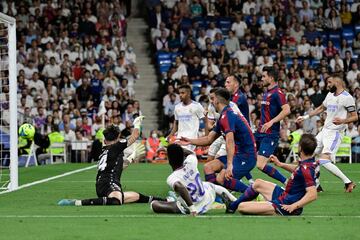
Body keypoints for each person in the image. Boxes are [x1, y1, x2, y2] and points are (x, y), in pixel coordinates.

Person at [58, 116, 165, 206]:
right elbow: (135, 136)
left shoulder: (105, 151)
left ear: (104, 140)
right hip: (109, 183)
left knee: (135, 196)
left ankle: (167, 200)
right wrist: (137, 124)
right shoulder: (115, 147)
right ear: (117, 138)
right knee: (116, 201)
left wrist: (132, 157)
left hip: (102, 185)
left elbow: (119, 167)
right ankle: (77, 202)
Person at [180, 88, 256, 193]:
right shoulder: (223, 116)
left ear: (217, 101)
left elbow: (230, 141)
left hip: (247, 156)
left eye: (212, 99)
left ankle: (255, 193)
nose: (211, 102)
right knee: (208, 167)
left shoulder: (228, 115)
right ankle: (216, 199)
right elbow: (209, 139)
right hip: (238, 155)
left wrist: (229, 165)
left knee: (222, 178)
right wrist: (189, 141)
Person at [222, 134, 318, 216]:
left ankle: (260, 206)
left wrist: (294, 206)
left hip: (285, 206)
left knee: (242, 207)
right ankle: (232, 206)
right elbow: (298, 169)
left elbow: (312, 194)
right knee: (258, 183)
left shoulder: (307, 169)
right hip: (285, 196)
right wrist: (280, 164)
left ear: (300, 148)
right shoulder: (307, 163)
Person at [297, 76, 358, 192]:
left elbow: (355, 116)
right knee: (307, 155)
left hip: (335, 133)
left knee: (324, 160)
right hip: (324, 131)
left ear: (337, 82)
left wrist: (343, 121)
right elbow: (321, 108)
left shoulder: (347, 98)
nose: (327, 85)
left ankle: (348, 182)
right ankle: (317, 185)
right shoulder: (330, 94)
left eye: (330, 82)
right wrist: (305, 117)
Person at [151, 144, 236, 215]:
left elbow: (180, 187)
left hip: (191, 207)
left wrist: (192, 208)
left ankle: (179, 203)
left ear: (169, 160)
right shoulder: (191, 161)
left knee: (154, 205)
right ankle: (234, 200)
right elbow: (190, 153)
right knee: (210, 185)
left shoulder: (172, 177)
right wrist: (178, 149)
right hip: (206, 198)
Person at [255, 66, 290, 184]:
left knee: (260, 165)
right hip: (260, 132)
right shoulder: (267, 92)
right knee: (242, 154)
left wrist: (271, 122)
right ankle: (239, 183)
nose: (262, 78)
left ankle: (286, 182)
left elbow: (286, 110)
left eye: (264, 76)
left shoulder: (277, 93)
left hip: (270, 135)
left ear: (271, 78)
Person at [168, 85, 205, 150]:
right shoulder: (177, 107)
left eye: (182, 93)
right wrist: (171, 134)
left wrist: (206, 137)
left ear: (188, 94)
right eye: (179, 93)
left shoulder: (196, 106)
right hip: (180, 137)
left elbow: (205, 120)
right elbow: (176, 123)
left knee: (187, 156)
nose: (180, 95)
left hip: (192, 138)